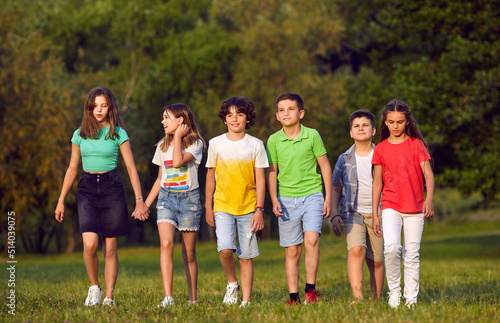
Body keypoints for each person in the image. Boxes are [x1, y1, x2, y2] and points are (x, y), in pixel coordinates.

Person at [55, 87, 149, 306]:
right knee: (89, 245)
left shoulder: (118, 133)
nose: (99, 110)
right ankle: (94, 287)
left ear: (110, 107)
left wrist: (139, 199)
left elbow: (131, 168)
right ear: (89, 108)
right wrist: (60, 200)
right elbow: (71, 168)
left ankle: (108, 297)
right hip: (87, 188)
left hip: (112, 187)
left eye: (103, 105)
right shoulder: (80, 134)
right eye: (95, 105)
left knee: (109, 247)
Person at [266, 93, 332, 306]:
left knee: (312, 240)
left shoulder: (312, 135)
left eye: (291, 109)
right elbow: (272, 172)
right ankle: (293, 297)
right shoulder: (274, 140)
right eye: (282, 110)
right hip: (286, 200)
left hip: (312, 195)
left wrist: (328, 197)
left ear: (301, 113)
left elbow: (324, 166)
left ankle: (310, 291)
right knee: (292, 249)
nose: (286, 113)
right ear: (277, 115)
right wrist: (274, 198)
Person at [205, 97, 268, 307]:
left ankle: (246, 300)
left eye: (239, 114)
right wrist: (208, 206)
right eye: (230, 115)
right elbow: (210, 177)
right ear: (224, 119)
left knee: (245, 256)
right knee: (224, 249)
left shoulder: (256, 145)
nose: (235, 119)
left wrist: (259, 209)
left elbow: (260, 179)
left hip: (249, 207)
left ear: (247, 118)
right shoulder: (215, 143)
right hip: (222, 205)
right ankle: (232, 283)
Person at [371, 99, 434, 309]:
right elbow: (377, 182)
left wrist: (429, 199)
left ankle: (411, 300)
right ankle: (394, 293)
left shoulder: (416, 145)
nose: (395, 126)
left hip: (415, 207)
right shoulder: (380, 149)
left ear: (407, 121)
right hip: (390, 205)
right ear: (385, 123)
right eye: (391, 122)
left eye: (399, 121)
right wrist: (375, 213)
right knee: (390, 248)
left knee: (412, 254)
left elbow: (429, 175)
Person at [142, 104, 205, 307]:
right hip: (166, 199)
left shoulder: (196, 144)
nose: (162, 121)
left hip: (189, 201)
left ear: (180, 120)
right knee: (166, 244)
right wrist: (144, 204)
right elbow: (160, 179)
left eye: (166, 117)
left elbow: (177, 162)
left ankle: (192, 299)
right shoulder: (161, 145)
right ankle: (168, 297)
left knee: (188, 254)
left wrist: (177, 138)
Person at [331, 110, 384, 302]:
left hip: (379, 213)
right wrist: (334, 214)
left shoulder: (383, 155)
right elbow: (335, 188)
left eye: (365, 125)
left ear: (373, 130)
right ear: (351, 133)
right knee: (356, 250)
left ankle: (376, 298)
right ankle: (358, 298)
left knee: (376, 260)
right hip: (352, 213)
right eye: (356, 126)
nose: (361, 129)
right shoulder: (343, 159)